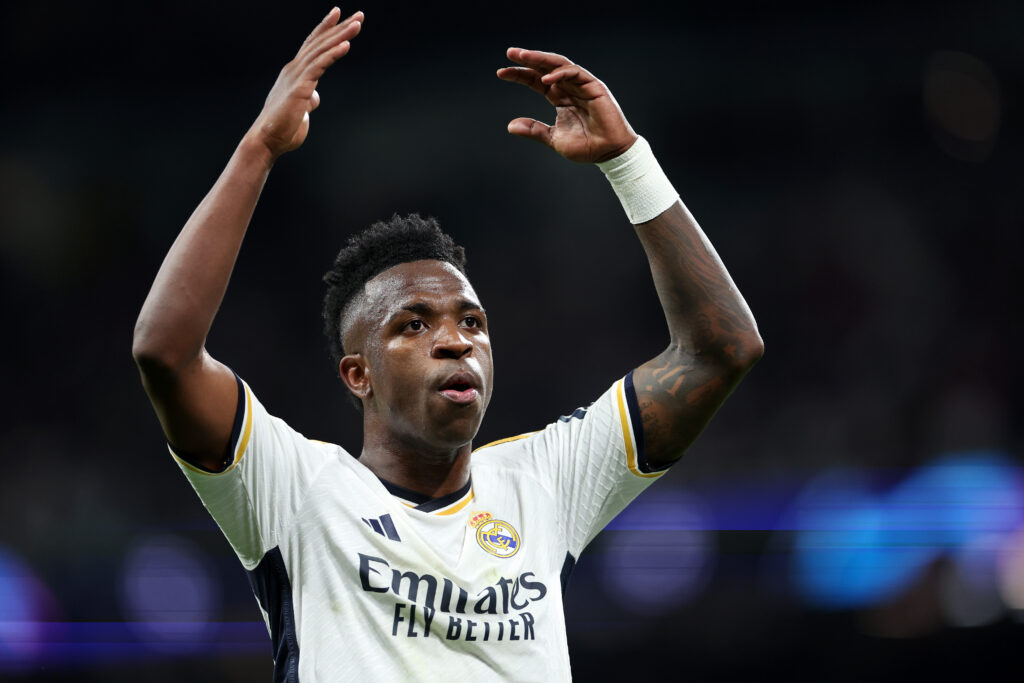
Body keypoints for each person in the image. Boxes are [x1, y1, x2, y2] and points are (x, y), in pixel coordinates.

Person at [132, 7, 763, 682]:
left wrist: (628, 162)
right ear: (357, 373)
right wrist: (258, 148)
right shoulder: (297, 491)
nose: (455, 341)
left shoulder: (543, 483)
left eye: (472, 322)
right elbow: (165, 351)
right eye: (413, 324)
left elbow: (719, 350)